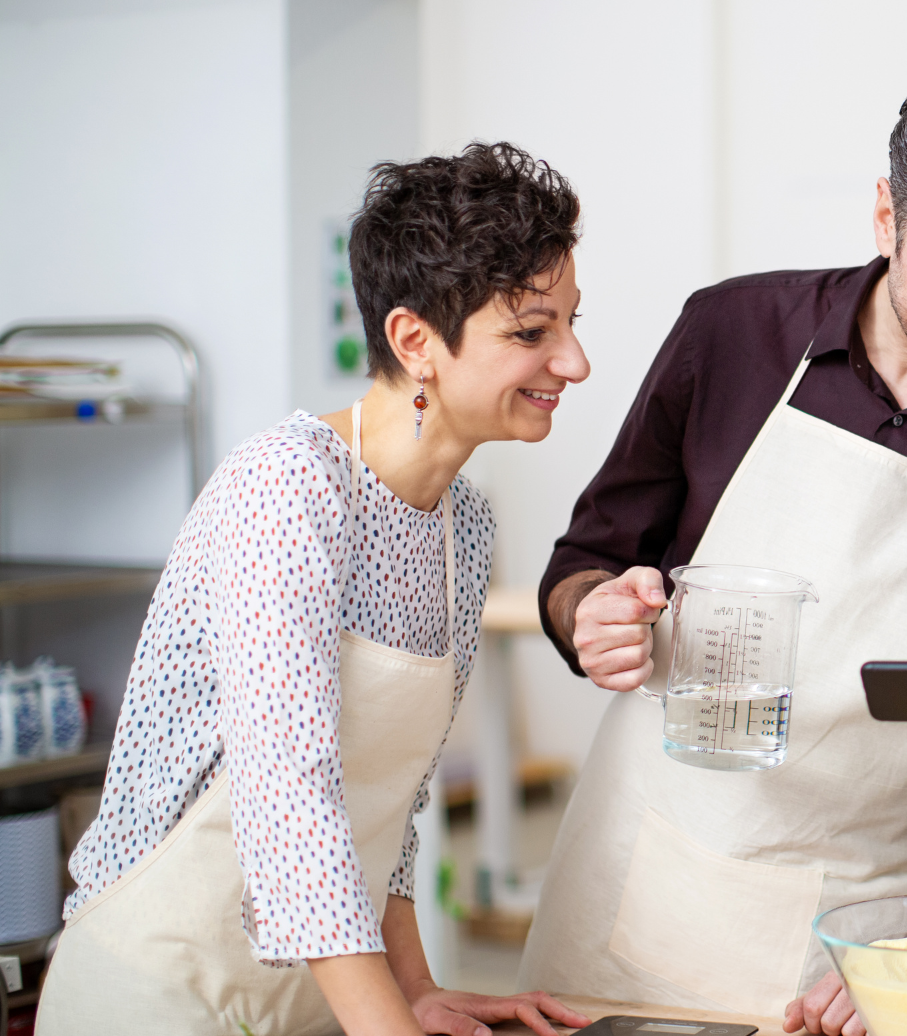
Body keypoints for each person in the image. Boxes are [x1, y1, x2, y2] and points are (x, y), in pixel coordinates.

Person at [518, 53, 907, 1036]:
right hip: (641, 879)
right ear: (887, 218)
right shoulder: (733, 334)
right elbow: (586, 558)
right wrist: (586, 612)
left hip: (862, 926)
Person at [38, 143, 594, 1036]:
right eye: (532, 333)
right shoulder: (288, 490)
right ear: (416, 341)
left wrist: (414, 991)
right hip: (158, 994)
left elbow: (391, 799)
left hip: (317, 1000)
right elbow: (287, 795)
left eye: (570, 323)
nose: (573, 363)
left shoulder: (465, 524)